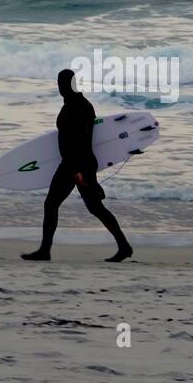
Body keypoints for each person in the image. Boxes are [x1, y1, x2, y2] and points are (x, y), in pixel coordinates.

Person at [22, 69, 133, 262]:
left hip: (76, 163)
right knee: (84, 207)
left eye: (63, 83)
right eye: (59, 83)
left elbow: (81, 142)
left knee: (84, 206)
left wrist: (80, 173)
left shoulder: (79, 107)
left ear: (70, 84)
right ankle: (123, 246)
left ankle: (45, 250)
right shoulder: (76, 104)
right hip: (73, 163)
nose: (60, 87)